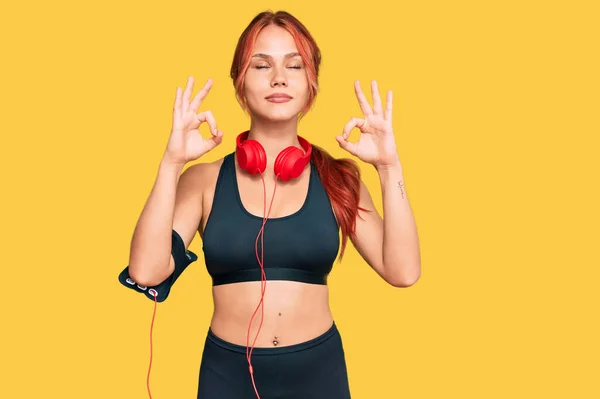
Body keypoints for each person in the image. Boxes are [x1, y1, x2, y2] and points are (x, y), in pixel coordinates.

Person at [119, 9, 421, 399]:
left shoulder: (338, 179)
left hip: (319, 374)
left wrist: (389, 167)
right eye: (262, 65)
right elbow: (146, 271)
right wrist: (171, 163)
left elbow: (404, 271)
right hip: (227, 376)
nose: (279, 77)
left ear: (311, 84)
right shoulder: (204, 181)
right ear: (240, 82)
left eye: (294, 66)